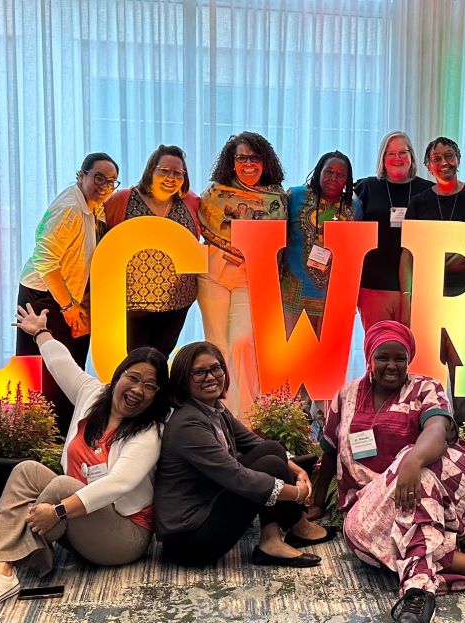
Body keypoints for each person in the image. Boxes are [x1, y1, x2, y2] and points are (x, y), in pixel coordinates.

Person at [309, 320, 465, 623]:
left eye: (400, 358)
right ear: (370, 357)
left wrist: (413, 460)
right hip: (373, 502)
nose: (392, 365)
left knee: (415, 479)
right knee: (357, 535)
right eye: (384, 357)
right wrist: (315, 502)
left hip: (445, 486)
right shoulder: (347, 396)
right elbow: (329, 452)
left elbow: (437, 430)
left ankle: (417, 595)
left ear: (409, 359)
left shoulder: (426, 388)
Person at [0, 303, 171, 615]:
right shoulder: (92, 394)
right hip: (79, 518)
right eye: (134, 377)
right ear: (119, 374)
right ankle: (4, 567)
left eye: (150, 386)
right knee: (28, 469)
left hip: (123, 535)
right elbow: (62, 363)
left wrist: (57, 511)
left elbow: (118, 483)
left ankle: (11, 544)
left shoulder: (149, 431)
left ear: (157, 395)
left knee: (61, 486)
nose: (138, 389)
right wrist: (41, 333)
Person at [155, 341, 331, 568]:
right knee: (267, 467)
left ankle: (274, 538)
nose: (210, 377)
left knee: (272, 451)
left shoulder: (212, 408)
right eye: (198, 372)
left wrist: (298, 471)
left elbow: (255, 443)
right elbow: (236, 476)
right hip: (189, 540)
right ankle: (294, 528)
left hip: (209, 505)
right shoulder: (187, 424)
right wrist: (297, 493)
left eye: (216, 368)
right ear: (182, 379)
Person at [17, 152, 120, 434]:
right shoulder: (70, 208)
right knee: (47, 374)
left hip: (69, 296)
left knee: (69, 370)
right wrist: (68, 307)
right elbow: (45, 261)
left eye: (111, 181)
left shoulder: (93, 205)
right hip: (45, 297)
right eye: (98, 177)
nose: (104, 186)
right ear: (81, 175)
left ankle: (62, 439)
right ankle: (40, 440)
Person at [401, 136, 465, 424]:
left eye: (449, 156)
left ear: (458, 157)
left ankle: (462, 424)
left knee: (462, 361)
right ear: (428, 166)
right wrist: (408, 297)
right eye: (437, 159)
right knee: (430, 360)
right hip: (429, 294)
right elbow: (407, 255)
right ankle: (430, 420)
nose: (444, 163)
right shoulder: (419, 202)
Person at [197, 133, 288, 420]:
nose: (248, 163)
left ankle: (248, 417)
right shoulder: (214, 193)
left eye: (254, 158)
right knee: (217, 344)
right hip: (213, 274)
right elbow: (204, 229)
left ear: (265, 162)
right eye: (242, 157)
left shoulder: (277, 198)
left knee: (243, 342)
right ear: (231, 161)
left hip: (252, 276)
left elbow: (278, 240)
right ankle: (220, 412)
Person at [104, 145, 202, 358]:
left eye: (178, 173)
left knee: (160, 359)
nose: (171, 177)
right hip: (133, 305)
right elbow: (100, 240)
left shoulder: (191, 202)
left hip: (178, 301)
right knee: (133, 361)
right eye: (164, 170)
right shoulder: (122, 200)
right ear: (151, 170)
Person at [354, 131, 433, 330]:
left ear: (412, 157)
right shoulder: (367, 187)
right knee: (378, 351)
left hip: (417, 287)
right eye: (390, 153)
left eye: (402, 152)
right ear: (383, 158)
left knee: (414, 352)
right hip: (374, 284)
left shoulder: (429, 191)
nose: (397, 158)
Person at [280, 151, 362, 334]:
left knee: (328, 359)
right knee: (291, 356)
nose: (334, 178)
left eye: (340, 174)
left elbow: (355, 253)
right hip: (293, 293)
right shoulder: (295, 196)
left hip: (334, 297)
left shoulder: (354, 207)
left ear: (347, 180)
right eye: (329, 171)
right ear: (319, 172)